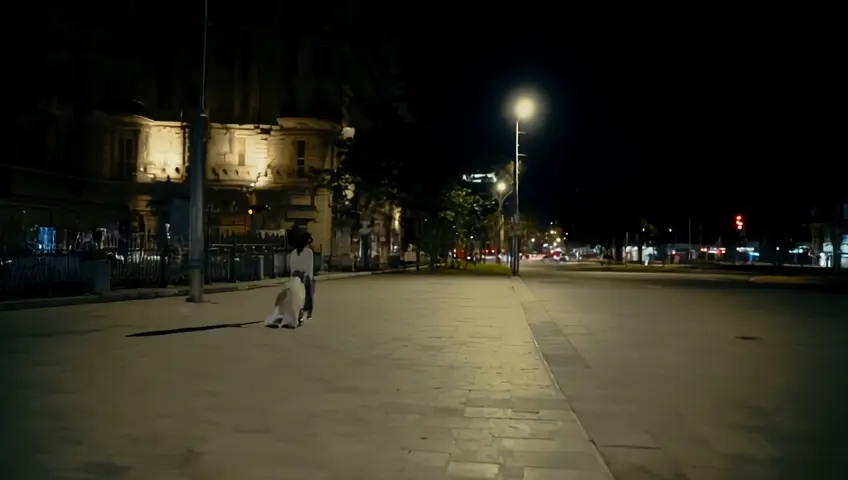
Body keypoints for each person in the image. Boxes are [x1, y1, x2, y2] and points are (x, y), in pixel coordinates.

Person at [288, 231, 315, 320]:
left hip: (305, 276)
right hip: (298, 276)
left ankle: (307, 311)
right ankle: (301, 312)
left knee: (307, 295)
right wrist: (296, 273)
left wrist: (304, 275)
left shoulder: (308, 252)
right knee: (299, 296)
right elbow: (292, 265)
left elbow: (309, 267)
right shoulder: (295, 253)